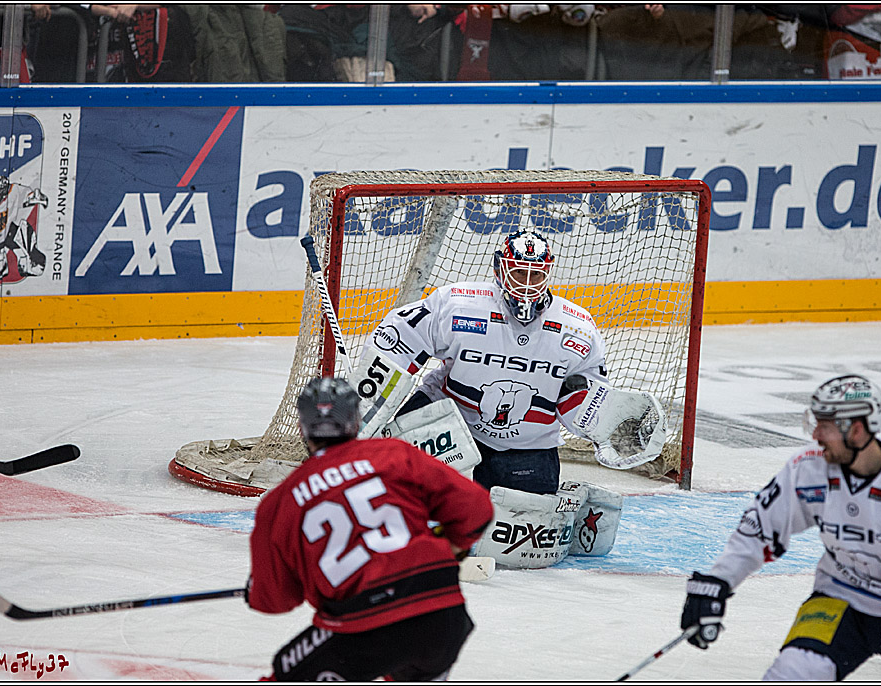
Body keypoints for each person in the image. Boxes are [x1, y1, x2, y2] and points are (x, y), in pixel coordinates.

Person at [680, 374, 881, 681]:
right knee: (789, 676)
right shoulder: (808, 469)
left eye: (825, 425)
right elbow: (759, 529)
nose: (815, 434)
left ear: (856, 430)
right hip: (840, 595)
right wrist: (718, 581)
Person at [247, 376, 493, 681]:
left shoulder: (278, 504)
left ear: (302, 427)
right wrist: (452, 547)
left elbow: (276, 600)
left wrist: (256, 589)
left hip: (363, 626)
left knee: (287, 669)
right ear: (356, 419)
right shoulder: (394, 454)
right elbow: (476, 508)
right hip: (442, 615)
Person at [359, 229, 611, 496]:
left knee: (521, 529)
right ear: (500, 270)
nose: (527, 284)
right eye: (518, 272)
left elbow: (586, 392)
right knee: (397, 497)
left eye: (535, 274)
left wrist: (603, 426)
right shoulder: (459, 305)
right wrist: (365, 409)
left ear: (547, 273)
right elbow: (397, 340)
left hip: (528, 441)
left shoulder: (577, 327)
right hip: (446, 418)